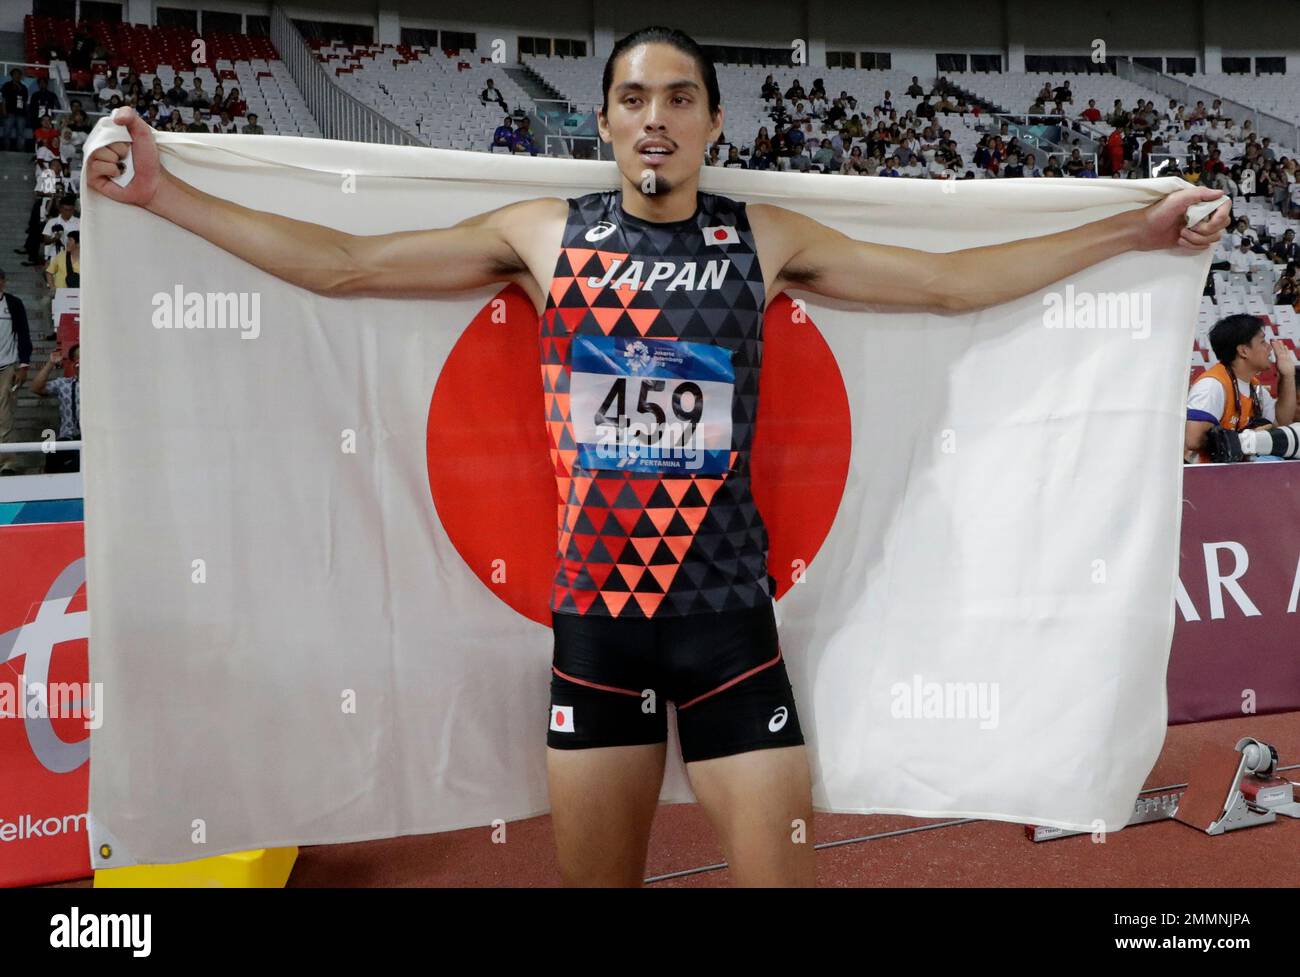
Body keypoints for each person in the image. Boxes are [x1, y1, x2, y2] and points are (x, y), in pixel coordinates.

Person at [88, 24, 1231, 888]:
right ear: (603, 123)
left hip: (731, 623)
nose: (655, 118)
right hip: (595, 627)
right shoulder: (543, 235)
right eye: (632, 97)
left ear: (711, 125)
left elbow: (943, 284)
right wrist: (168, 193)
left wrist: (1128, 232)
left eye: (679, 98)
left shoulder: (759, 235)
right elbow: (343, 263)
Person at [1185, 314, 1296, 463]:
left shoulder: (1255, 387)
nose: (1269, 347)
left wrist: (1287, 375)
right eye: (1262, 341)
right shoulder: (1212, 386)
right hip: (1209, 478)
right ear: (1243, 351)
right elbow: (1193, 439)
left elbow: (1282, 423)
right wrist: (1247, 440)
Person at [0, 269, 32, 475]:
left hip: (7, 366)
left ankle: (8, 462)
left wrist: (23, 365)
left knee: (5, 415)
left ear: (3, 282)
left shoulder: (13, 304)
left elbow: (23, 334)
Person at [29, 345, 80, 473]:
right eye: (78, 359)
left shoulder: (100, 386)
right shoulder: (64, 384)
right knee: (52, 456)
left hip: (91, 439)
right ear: (74, 363)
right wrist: (50, 363)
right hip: (67, 439)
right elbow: (36, 388)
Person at [1, 68, 29, 151]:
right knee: (7, 132)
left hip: (21, 113)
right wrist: (4, 111)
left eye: (19, 74)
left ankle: (20, 150)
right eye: (15, 74)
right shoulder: (6, 85)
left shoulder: (24, 87)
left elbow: (25, 102)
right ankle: (5, 150)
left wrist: (26, 113)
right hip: (9, 112)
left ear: (20, 76)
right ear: (12, 76)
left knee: (21, 133)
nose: (17, 76)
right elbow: (4, 99)